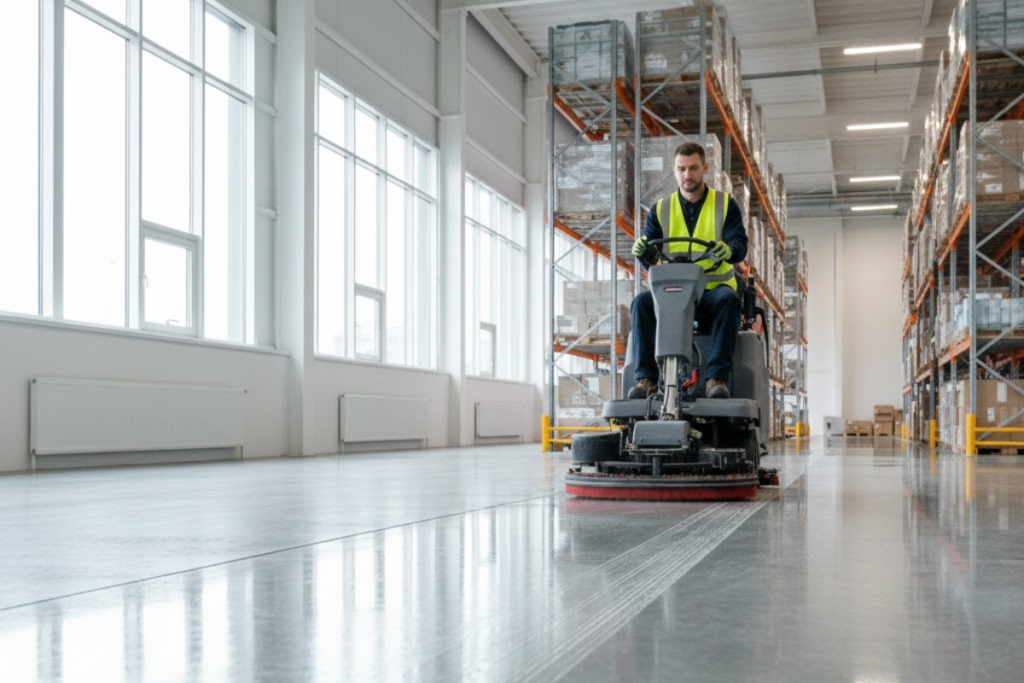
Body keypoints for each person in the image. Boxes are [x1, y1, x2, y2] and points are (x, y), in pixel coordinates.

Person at [629, 141, 748, 400]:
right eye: (681, 169)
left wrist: (729, 250)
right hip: (673, 291)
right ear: (674, 170)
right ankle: (646, 379)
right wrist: (643, 253)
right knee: (641, 304)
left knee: (729, 300)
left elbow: (739, 244)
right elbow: (652, 259)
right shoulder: (660, 209)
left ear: (705, 168)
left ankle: (715, 378)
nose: (687, 175)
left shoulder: (725, 204)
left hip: (711, 291)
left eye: (693, 168)